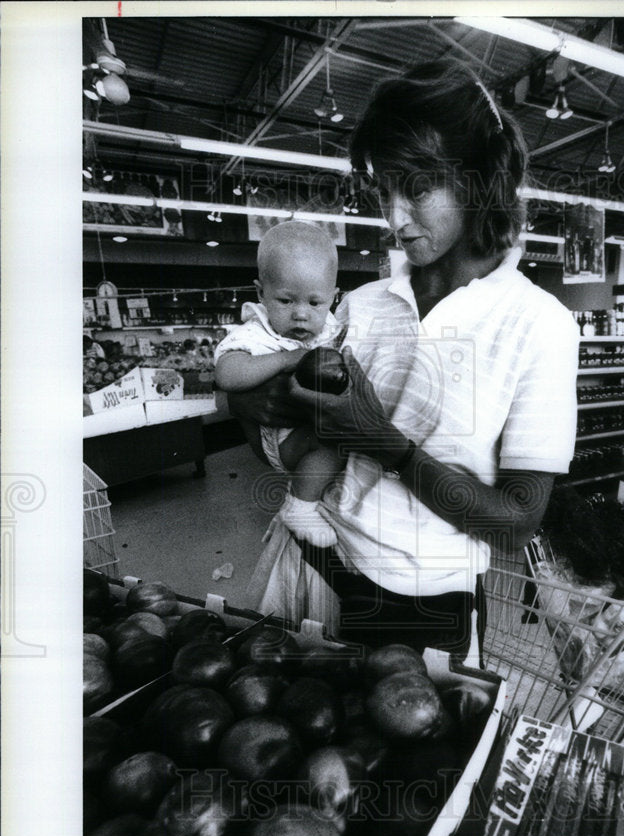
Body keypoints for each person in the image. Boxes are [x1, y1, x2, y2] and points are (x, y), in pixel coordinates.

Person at [227, 60, 579, 665]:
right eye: (382, 192)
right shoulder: (361, 306)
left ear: (479, 180)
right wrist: (245, 400)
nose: (393, 219)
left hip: (428, 603)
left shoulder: (539, 324)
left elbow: (516, 523)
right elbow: (282, 437)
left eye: (416, 188)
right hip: (318, 561)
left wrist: (382, 442)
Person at [214, 221, 344, 547]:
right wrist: (285, 359)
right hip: (279, 439)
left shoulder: (333, 330)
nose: (301, 314)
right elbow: (227, 374)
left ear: (333, 297)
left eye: (314, 303)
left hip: (304, 432)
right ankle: (300, 506)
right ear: (261, 293)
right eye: (286, 301)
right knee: (336, 438)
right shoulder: (256, 333)